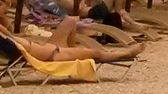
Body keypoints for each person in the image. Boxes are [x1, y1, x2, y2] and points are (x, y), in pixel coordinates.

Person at [7, 16, 143, 63]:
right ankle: (125, 54)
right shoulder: (8, 41)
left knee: (71, 20)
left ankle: (73, 51)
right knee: (95, 53)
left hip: (50, 48)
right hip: (53, 55)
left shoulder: (6, 38)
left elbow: (8, 29)